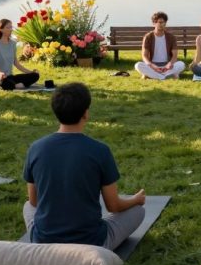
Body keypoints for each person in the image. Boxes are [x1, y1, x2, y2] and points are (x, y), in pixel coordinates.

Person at [23, 82, 146, 249]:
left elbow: (34, 200)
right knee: (138, 211)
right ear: (86, 113)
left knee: (27, 206)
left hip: (44, 241)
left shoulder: (35, 148)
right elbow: (114, 206)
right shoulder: (100, 151)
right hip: (91, 243)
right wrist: (135, 200)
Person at [0, 18, 40, 91]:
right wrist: (0, 74)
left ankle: (15, 85)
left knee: (35, 76)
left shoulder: (12, 44)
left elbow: (16, 64)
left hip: (9, 76)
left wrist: (31, 72)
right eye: (8, 27)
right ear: (1, 29)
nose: (11, 29)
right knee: (6, 82)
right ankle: (15, 85)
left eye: (11, 27)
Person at [134, 11, 186, 80]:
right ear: (154, 23)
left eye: (163, 22)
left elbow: (175, 56)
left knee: (181, 64)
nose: (161, 24)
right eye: (159, 22)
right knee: (138, 65)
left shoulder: (171, 37)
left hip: (166, 65)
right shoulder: (148, 37)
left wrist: (169, 64)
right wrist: (152, 66)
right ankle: (165, 76)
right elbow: (144, 56)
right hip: (153, 65)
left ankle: (153, 75)